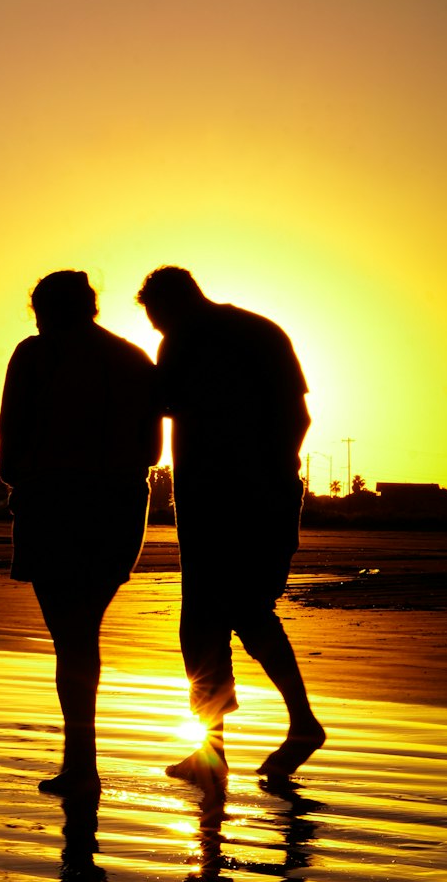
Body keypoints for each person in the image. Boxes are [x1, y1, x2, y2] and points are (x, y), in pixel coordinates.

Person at [136, 266, 325, 787]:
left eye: (154, 320)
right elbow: (300, 417)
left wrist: (254, 474)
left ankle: (297, 725)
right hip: (258, 495)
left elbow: (156, 402)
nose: (155, 331)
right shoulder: (261, 330)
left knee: (225, 615)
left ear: (166, 307)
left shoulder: (181, 343)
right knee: (216, 619)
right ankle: (214, 750)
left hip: (223, 501)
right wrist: (275, 472)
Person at [0, 270, 161, 797]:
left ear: (45, 310)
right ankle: (81, 762)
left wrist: (28, 474)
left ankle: (82, 764)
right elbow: (152, 452)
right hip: (118, 506)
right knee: (82, 631)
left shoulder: (34, 355)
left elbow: (10, 441)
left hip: (55, 503)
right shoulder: (133, 358)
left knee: (70, 639)